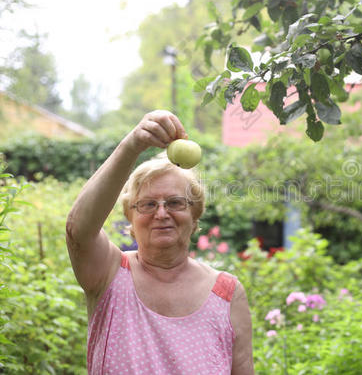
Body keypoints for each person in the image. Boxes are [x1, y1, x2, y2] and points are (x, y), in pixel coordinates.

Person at [65, 111, 254, 374]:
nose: (162, 213)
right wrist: (133, 144)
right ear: (130, 218)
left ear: (194, 215)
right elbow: (78, 231)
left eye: (175, 202)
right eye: (148, 204)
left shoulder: (227, 294)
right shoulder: (109, 274)